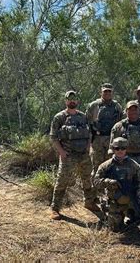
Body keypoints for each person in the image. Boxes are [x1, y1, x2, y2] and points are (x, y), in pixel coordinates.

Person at [93, 137, 140, 239]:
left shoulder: (134, 166)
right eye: (117, 148)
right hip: (115, 200)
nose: (120, 151)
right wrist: (108, 182)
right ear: (113, 149)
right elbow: (96, 182)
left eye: (122, 148)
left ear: (126, 149)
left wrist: (139, 193)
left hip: (132, 198)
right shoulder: (105, 166)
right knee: (115, 229)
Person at [49, 90, 98, 220]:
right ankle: (55, 208)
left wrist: (88, 147)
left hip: (83, 154)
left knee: (87, 179)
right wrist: (61, 152)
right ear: (66, 101)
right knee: (62, 181)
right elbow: (53, 137)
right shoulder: (59, 117)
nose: (72, 101)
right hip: (68, 155)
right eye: (69, 99)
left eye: (74, 99)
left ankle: (89, 202)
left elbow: (89, 134)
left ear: (77, 101)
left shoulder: (82, 116)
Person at [86, 83, 123, 173]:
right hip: (97, 139)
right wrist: (89, 141)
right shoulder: (93, 105)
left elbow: (121, 121)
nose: (107, 93)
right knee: (96, 165)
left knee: (111, 164)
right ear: (101, 92)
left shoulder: (117, 106)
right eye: (105, 91)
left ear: (112, 93)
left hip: (112, 139)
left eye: (109, 91)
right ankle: (96, 185)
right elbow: (87, 122)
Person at [110, 100, 140, 171]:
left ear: (139, 111)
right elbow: (112, 146)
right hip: (123, 159)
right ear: (126, 111)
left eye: (135, 109)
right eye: (130, 110)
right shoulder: (118, 127)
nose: (133, 112)